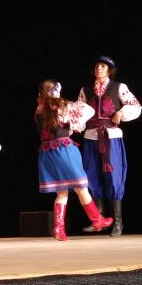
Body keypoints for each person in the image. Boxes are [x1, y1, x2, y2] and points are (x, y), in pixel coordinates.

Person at [35, 79, 113, 241]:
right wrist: (72, 126)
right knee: (81, 187)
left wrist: (68, 127)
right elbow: (88, 111)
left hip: (47, 152)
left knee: (62, 192)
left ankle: (59, 228)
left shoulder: (38, 109)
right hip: (64, 149)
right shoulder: (62, 106)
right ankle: (97, 220)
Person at [77, 56, 142, 236]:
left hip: (111, 136)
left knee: (113, 177)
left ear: (109, 70)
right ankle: (99, 220)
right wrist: (73, 126)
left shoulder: (119, 87)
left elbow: (136, 106)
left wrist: (121, 112)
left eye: (103, 66)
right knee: (91, 176)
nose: (99, 68)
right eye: (97, 66)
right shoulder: (85, 89)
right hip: (91, 136)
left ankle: (118, 223)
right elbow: (78, 112)